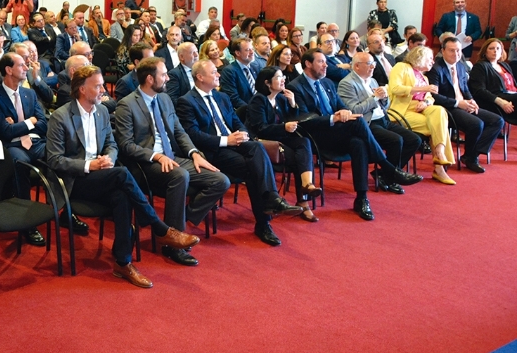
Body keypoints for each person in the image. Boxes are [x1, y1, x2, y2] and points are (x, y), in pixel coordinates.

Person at [46, 65, 200, 287]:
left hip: (103, 175)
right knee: (122, 175)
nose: (103, 91)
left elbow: (111, 143)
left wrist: (108, 157)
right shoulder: (60, 117)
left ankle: (122, 262)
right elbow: (54, 160)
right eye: (98, 86)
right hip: (74, 180)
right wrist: (91, 164)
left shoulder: (101, 113)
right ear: (81, 89)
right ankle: (160, 228)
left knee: (122, 195)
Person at [114, 57, 229, 266]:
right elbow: (126, 144)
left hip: (172, 157)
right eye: (163, 74)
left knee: (220, 180)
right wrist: (155, 156)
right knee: (180, 175)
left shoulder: (165, 99)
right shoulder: (127, 104)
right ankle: (173, 245)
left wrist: (194, 153)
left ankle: (171, 227)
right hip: (146, 163)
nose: (168, 78)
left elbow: (179, 131)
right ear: (150, 78)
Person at [287, 49, 422, 220]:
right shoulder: (296, 86)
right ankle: (388, 168)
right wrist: (333, 118)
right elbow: (303, 119)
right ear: (308, 64)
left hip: (336, 132)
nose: (326, 65)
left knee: (358, 143)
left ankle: (362, 198)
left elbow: (342, 105)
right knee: (358, 122)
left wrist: (343, 112)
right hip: (315, 136)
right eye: (321, 62)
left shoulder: (327, 83)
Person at [177, 60, 302, 245]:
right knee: (254, 170)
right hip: (212, 151)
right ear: (200, 77)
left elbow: (236, 121)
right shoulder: (186, 101)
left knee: (257, 148)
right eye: (214, 72)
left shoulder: (222, 98)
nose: (218, 75)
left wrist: (242, 134)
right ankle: (266, 217)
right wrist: (226, 140)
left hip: (235, 144)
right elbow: (193, 135)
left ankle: (270, 204)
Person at [0, 52, 48, 246]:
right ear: (9, 70)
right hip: (11, 146)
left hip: (35, 142)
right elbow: (5, 132)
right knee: (21, 164)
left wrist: (20, 125)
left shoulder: (29, 93)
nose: (26, 68)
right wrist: (30, 121)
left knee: (57, 157)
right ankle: (27, 221)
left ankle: (64, 208)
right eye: (21, 65)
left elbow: (44, 123)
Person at [338, 53, 422, 193]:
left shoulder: (373, 81)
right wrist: (375, 97)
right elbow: (354, 110)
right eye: (369, 63)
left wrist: (384, 98)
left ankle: (384, 174)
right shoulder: (347, 83)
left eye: (373, 63)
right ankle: (391, 177)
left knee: (414, 140)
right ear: (357, 66)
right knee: (396, 140)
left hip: (383, 119)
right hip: (367, 124)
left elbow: (385, 106)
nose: (373, 66)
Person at [247, 66, 322, 221]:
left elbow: (292, 119)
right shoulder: (258, 100)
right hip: (263, 143)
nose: (283, 80)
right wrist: (284, 127)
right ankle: (304, 201)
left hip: (281, 139)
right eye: (278, 77)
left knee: (304, 142)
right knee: (299, 159)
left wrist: (293, 104)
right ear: (267, 83)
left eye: (283, 77)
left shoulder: (281, 98)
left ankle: (307, 185)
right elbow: (259, 129)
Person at [427, 37, 503, 173]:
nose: (456, 54)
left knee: (497, 121)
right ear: (443, 51)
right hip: (449, 107)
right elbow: (434, 96)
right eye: (451, 51)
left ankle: (471, 154)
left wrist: (471, 100)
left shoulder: (461, 66)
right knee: (476, 124)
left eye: (458, 51)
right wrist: (458, 103)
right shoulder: (436, 69)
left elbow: (465, 88)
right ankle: (471, 157)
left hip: (464, 103)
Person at [388, 46, 456, 184]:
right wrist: (423, 89)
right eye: (430, 58)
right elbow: (395, 88)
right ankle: (439, 167)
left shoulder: (424, 77)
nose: (432, 61)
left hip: (421, 109)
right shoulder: (401, 67)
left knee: (439, 111)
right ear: (419, 57)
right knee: (437, 126)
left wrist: (425, 102)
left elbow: (430, 97)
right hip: (403, 110)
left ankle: (440, 153)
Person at [469, 38, 517, 126]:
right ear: (485, 51)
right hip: (495, 100)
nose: (495, 51)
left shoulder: (505, 65)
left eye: (498, 48)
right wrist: (500, 102)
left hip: (512, 97)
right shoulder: (480, 66)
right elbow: (479, 90)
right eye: (491, 48)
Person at [219, 38, 259, 110]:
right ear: (238, 53)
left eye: (252, 49)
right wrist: (252, 110)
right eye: (247, 50)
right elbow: (233, 98)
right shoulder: (229, 71)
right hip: (245, 112)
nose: (252, 52)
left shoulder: (255, 67)